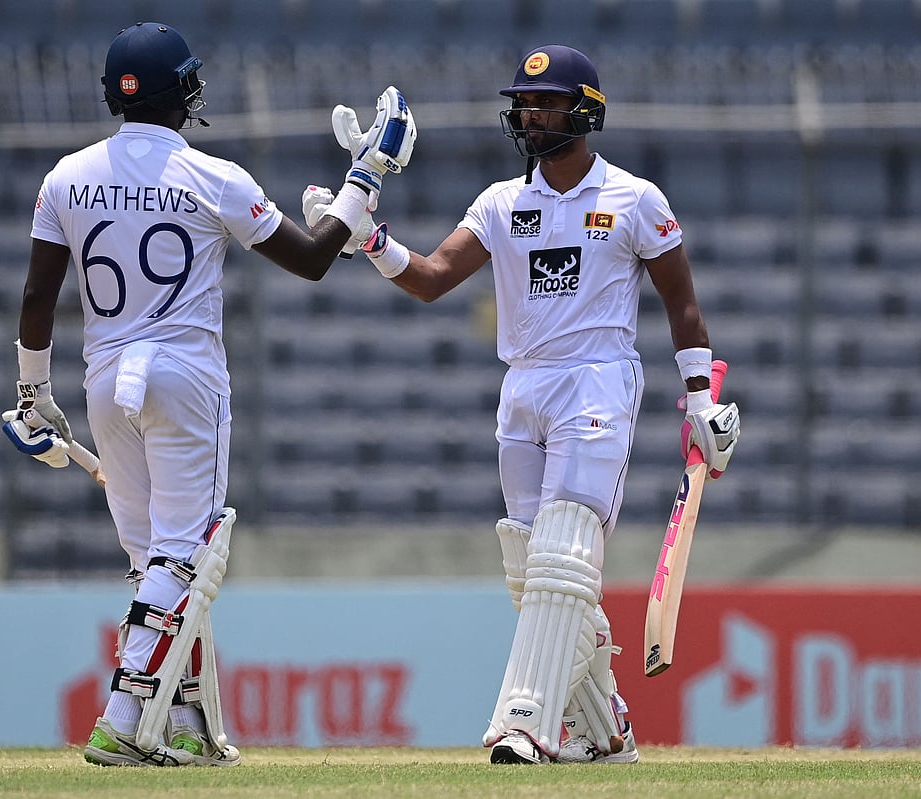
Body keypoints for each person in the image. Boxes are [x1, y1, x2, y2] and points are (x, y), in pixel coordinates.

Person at [307, 44, 739, 764]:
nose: (532, 114)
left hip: (598, 380)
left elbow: (683, 306)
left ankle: (524, 722)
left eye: (548, 102)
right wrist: (372, 239)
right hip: (524, 387)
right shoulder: (502, 203)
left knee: (566, 553)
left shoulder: (634, 198)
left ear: (586, 112)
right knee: (529, 567)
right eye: (526, 104)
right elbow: (433, 276)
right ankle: (607, 733)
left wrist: (700, 402)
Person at [0, 21, 415, 767]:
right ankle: (124, 715)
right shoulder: (213, 175)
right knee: (184, 556)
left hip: (104, 380)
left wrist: (33, 392)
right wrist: (369, 171)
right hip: (185, 376)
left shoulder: (64, 176)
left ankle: (187, 724)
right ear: (185, 92)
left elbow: (37, 296)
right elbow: (316, 257)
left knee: (153, 562)